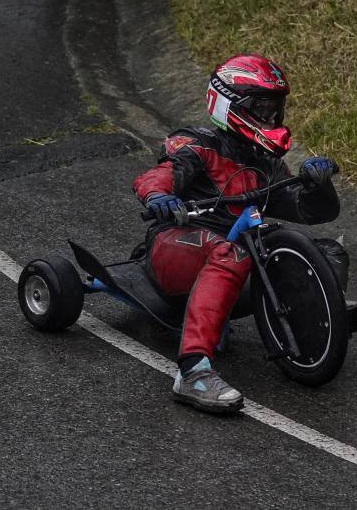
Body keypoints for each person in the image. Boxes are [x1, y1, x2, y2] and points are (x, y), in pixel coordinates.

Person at [132, 54, 340, 413]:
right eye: (261, 107)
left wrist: (319, 185)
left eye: (275, 108)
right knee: (229, 251)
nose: (270, 118)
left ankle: (322, 314)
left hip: (234, 256)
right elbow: (158, 176)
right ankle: (192, 373)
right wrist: (159, 197)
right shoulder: (197, 145)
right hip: (174, 245)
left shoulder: (265, 162)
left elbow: (309, 210)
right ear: (230, 105)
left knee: (329, 253)